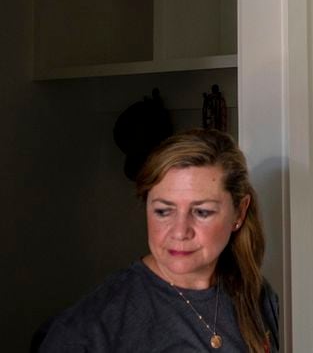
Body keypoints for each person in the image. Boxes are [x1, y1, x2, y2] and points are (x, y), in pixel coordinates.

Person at [38, 129, 280, 352]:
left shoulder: (257, 296)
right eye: (164, 211)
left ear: (239, 212)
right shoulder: (86, 331)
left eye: (202, 212)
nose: (179, 231)